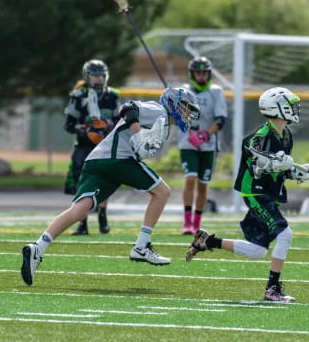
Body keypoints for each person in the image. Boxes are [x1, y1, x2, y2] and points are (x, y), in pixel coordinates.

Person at [21, 86, 200, 286]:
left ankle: (38, 246)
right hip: (118, 159)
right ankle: (141, 246)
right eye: (185, 107)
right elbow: (128, 108)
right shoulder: (158, 111)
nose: (187, 113)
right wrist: (137, 132)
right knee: (162, 192)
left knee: (80, 210)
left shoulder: (165, 125)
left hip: (97, 160)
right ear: (173, 104)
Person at [185, 87, 309, 302]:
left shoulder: (286, 136)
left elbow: (281, 169)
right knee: (285, 235)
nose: (294, 108)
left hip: (268, 191)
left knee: (258, 251)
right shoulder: (260, 137)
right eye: (290, 105)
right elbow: (258, 166)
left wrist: (299, 171)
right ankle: (272, 290)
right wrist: (275, 163)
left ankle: (207, 241)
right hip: (255, 192)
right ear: (278, 108)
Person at [63, 59, 120, 235]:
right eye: (95, 76)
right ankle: (83, 223)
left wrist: (107, 127)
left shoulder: (112, 96)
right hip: (84, 146)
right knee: (83, 186)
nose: (98, 79)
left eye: (101, 76)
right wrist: (86, 130)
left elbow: (119, 121)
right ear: (87, 77)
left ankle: (103, 218)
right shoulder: (78, 97)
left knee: (105, 181)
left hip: (104, 146)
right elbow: (68, 125)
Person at [178, 56, 228, 235]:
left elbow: (221, 120)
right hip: (187, 144)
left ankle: (197, 222)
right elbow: (178, 116)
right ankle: (187, 222)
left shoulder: (216, 91)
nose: (201, 76)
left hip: (208, 145)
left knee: (203, 184)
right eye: (198, 72)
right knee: (190, 178)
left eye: (204, 73)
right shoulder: (183, 90)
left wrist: (204, 134)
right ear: (192, 74)